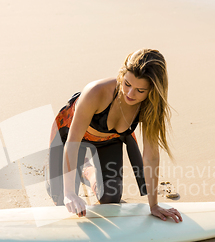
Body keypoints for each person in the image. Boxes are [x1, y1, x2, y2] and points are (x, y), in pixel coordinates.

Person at [47, 48, 183, 223]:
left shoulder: (151, 107)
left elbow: (150, 156)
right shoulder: (96, 92)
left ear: (153, 91)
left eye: (140, 90)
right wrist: (70, 193)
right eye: (127, 84)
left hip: (108, 141)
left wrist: (154, 205)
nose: (130, 94)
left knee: (110, 200)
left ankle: (87, 170)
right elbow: (72, 142)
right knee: (61, 202)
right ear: (122, 75)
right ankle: (73, 171)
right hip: (70, 137)